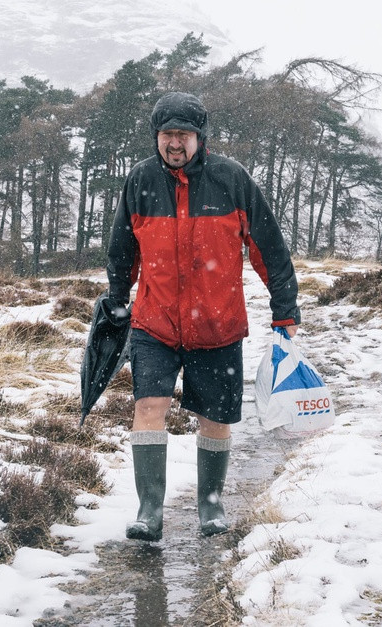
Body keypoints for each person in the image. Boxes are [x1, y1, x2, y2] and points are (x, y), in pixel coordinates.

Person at [105, 91, 301, 541]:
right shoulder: (140, 181)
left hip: (217, 324)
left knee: (213, 418)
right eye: (166, 134)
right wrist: (119, 301)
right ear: (156, 136)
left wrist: (284, 310)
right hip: (154, 322)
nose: (174, 144)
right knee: (149, 405)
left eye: (183, 135)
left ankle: (210, 507)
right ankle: (149, 510)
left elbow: (269, 248)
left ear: (200, 137)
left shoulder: (231, 180)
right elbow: (122, 248)